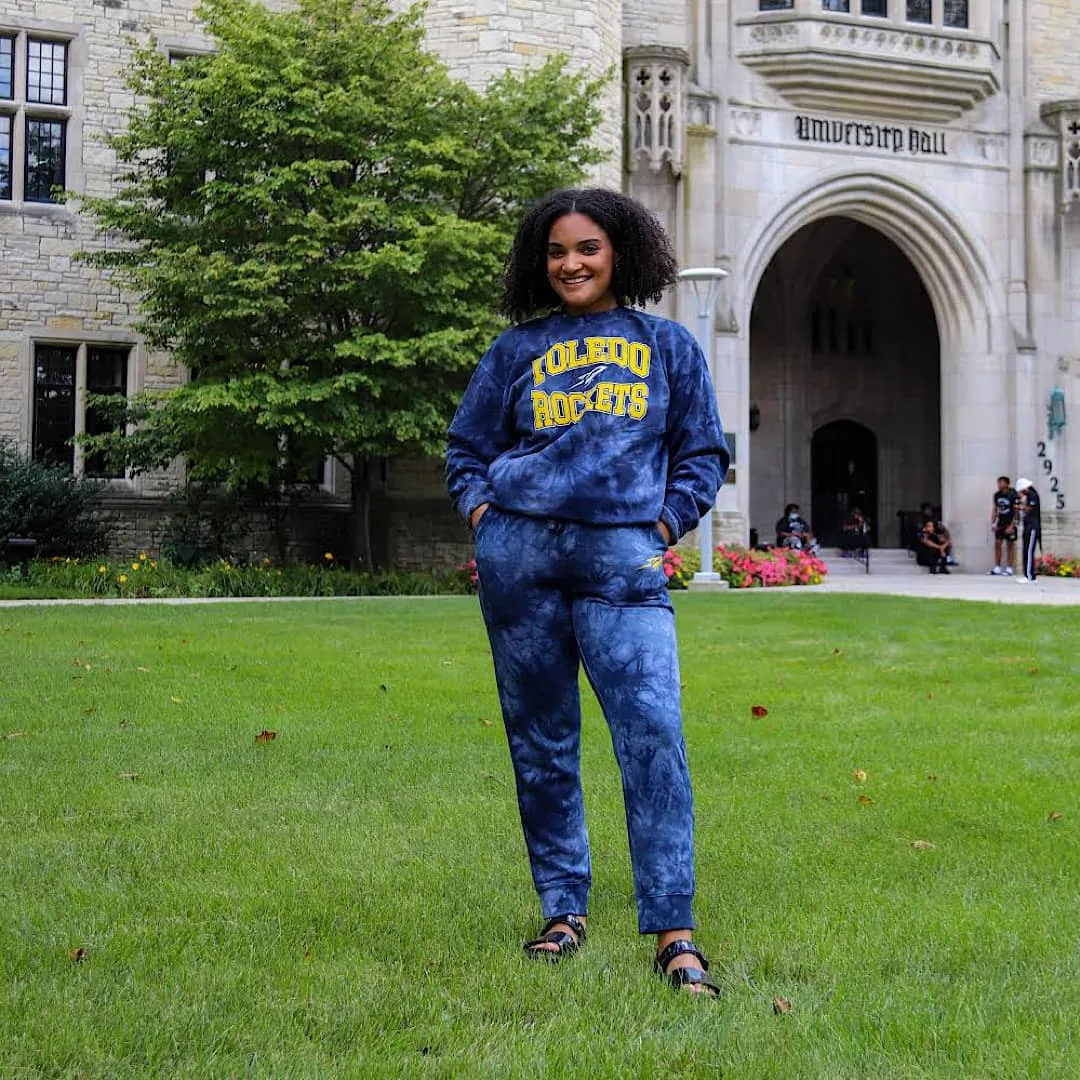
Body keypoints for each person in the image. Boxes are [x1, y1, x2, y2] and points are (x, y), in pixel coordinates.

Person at [446, 188, 729, 997]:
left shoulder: (666, 345)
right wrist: (484, 517)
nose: (571, 263)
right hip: (520, 560)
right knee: (541, 742)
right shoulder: (516, 350)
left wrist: (661, 529)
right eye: (558, 251)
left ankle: (675, 932)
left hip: (622, 563)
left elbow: (702, 452)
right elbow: (466, 448)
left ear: (622, 255)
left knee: (653, 738)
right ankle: (563, 909)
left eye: (589, 249)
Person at [987, 475, 1018, 576]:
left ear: (1006, 484)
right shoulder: (997, 495)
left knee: (1010, 545)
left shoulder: (1013, 494)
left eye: (1001, 483)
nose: (999, 485)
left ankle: (1009, 568)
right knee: (997, 544)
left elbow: (1016, 511)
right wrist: (993, 523)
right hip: (1001, 522)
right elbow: (995, 509)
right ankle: (997, 567)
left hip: (1010, 522)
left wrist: (1012, 525)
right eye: (998, 483)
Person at [1016, 477, 1041, 583]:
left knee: (1029, 551)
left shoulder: (1032, 496)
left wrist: (1019, 506)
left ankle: (1030, 576)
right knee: (1025, 551)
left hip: (1033, 528)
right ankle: (1027, 574)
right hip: (1027, 527)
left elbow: (1028, 508)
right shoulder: (1027, 497)